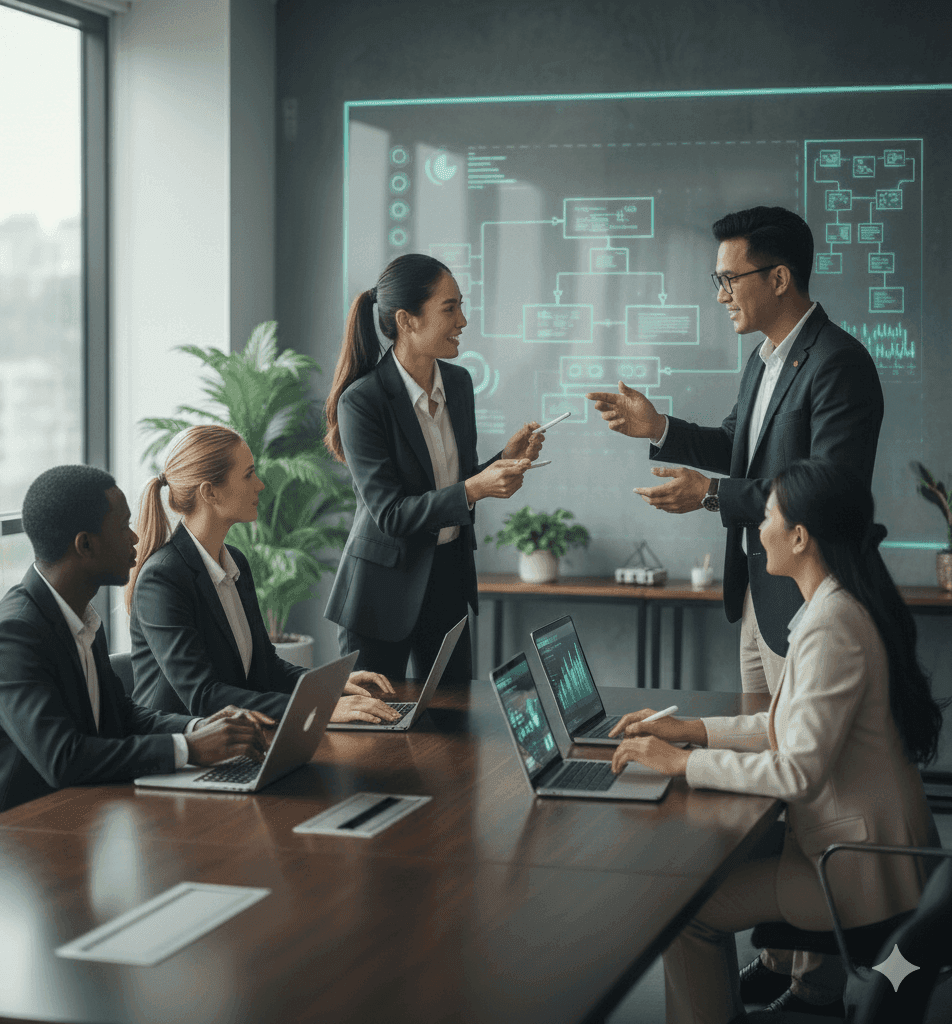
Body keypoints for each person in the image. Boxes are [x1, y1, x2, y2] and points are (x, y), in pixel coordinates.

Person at [609, 459, 944, 1024]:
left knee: (684, 912)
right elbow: (789, 726)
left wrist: (683, 764)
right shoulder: (836, 606)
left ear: (799, 536)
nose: (757, 530)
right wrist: (689, 730)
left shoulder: (831, 624)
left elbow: (796, 771)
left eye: (766, 517)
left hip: (858, 870)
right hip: (878, 851)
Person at [587, 206, 884, 697]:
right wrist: (658, 426)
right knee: (755, 748)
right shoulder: (762, 360)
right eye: (716, 279)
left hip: (810, 602)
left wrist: (711, 494)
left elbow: (827, 489)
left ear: (780, 278)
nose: (720, 295)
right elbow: (737, 446)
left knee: (792, 763)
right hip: (757, 596)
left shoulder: (838, 363)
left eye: (729, 279)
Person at [0, 465, 274, 823]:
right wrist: (189, 749)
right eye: (122, 525)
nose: (135, 538)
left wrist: (196, 728)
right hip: (9, 836)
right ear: (86, 545)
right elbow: (64, 758)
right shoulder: (13, 634)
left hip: (79, 816)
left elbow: (119, 714)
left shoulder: (80, 617)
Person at [323, 253, 544, 684]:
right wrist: (476, 489)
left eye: (461, 305)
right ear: (407, 321)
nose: (462, 320)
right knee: (372, 738)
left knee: (451, 726)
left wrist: (503, 460)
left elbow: (446, 483)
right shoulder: (362, 401)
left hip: (448, 581)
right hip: (379, 594)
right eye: (450, 308)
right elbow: (391, 513)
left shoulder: (458, 384)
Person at [127, 424, 400, 725]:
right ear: (210, 492)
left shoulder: (237, 563)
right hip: (183, 750)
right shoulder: (162, 579)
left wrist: (326, 687)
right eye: (248, 474)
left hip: (236, 740)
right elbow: (204, 697)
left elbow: (266, 668)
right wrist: (317, 708)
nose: (260, 485)